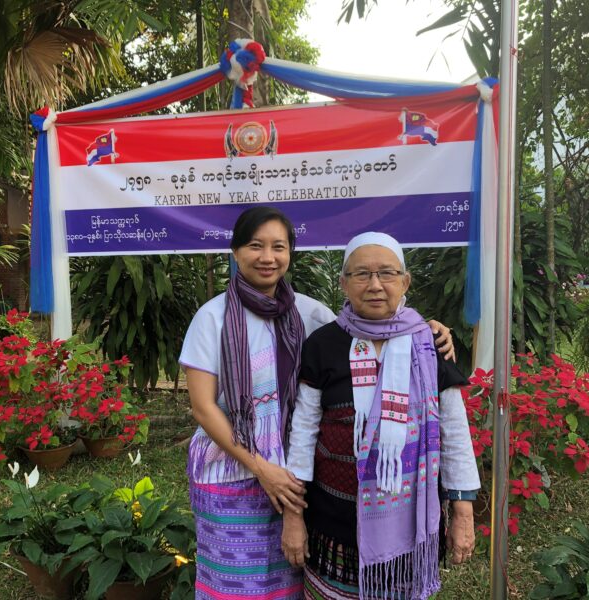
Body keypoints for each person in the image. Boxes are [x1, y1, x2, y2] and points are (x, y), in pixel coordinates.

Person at [179, 209, 456, 599]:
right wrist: (260, 468)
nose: (267, 257)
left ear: (291, 253)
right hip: (233, 469)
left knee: (291, 575)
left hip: (296, 473)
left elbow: (370, 327)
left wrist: (428, 329)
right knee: (234, 581)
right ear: (236, 251)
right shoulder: (212, 317)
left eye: (278, 246)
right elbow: (203, 407)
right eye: (255, 245)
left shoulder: (309, 313)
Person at [281, 232, 480, 600]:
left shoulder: (429, 343)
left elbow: (454, 431)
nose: (375, 285)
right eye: (361, 274)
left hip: (409, 530)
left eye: (387, 273)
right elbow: (303, 434)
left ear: (405, 282)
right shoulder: (322, 345)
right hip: (334, 525)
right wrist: (293, 516)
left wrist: (463, 513)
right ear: (343, 283)